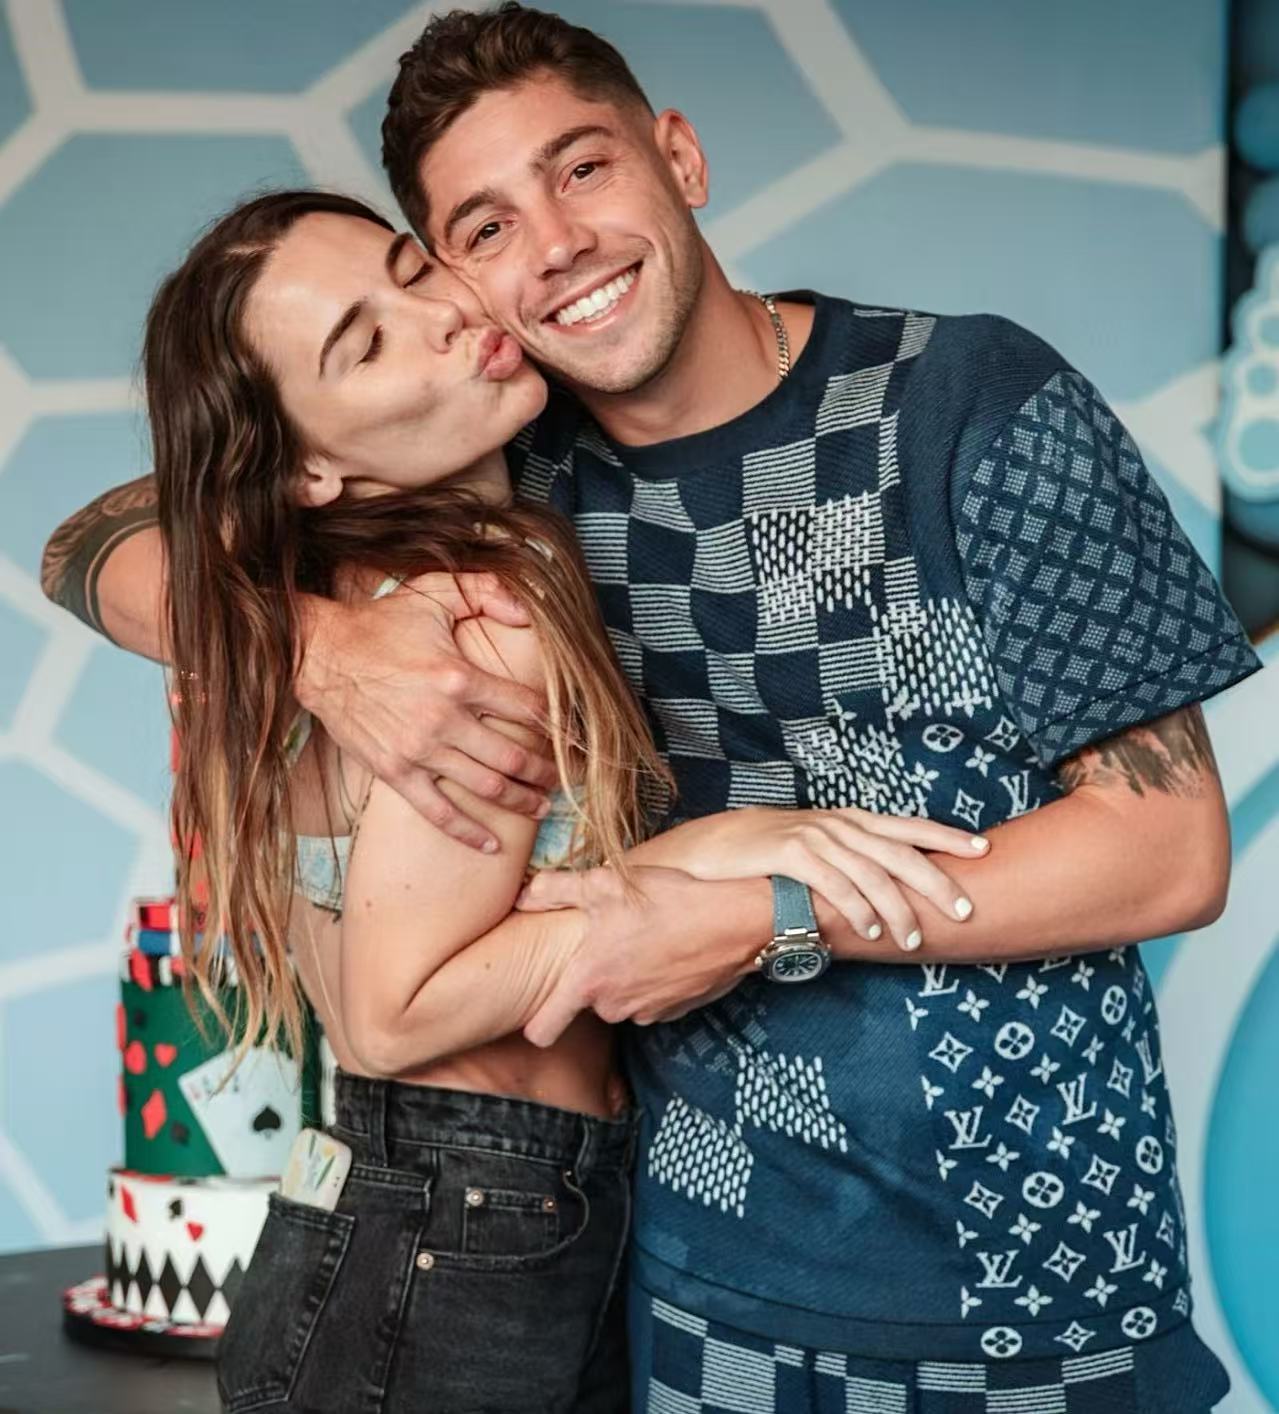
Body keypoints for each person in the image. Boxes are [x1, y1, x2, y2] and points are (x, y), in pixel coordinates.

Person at [42, 6, 1261, 1410]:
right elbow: (97, 539)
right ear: (462, 276)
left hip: (1030, 1279)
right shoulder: (504, 467)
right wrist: (320, 646)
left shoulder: (971, 401)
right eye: (484, 227)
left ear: (677, 156)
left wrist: (759, 911)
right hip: (684, 1290)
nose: (555, 243)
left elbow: (1167, 851)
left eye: (582, 168)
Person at [136, 188, 983, 1414]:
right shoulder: (467, 623)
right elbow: (392, 1011)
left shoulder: (338, 609)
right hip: (460, 1230)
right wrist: (714, 865)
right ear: (310, 465)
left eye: (410, 271)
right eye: (364, 345)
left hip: (415, 1212)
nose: (438, 317)